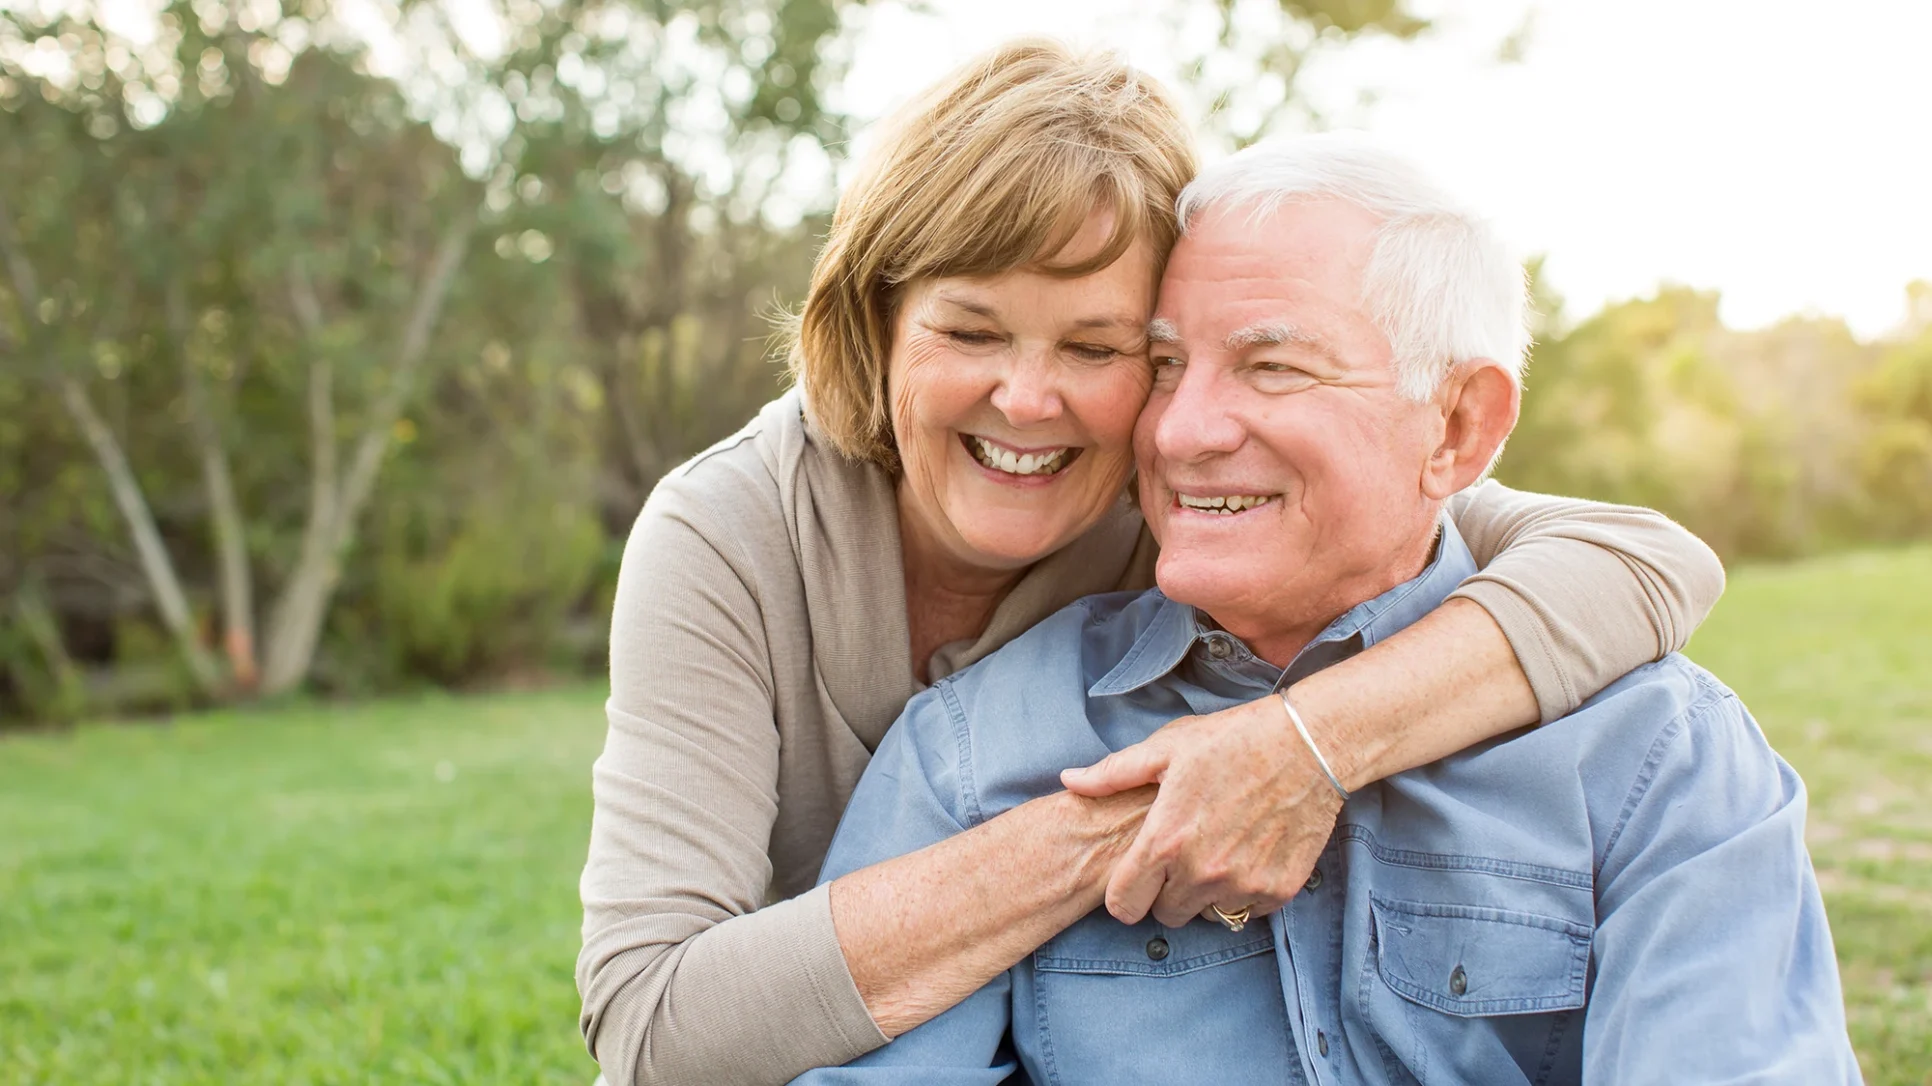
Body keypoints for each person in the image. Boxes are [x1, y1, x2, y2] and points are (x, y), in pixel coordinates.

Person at [578, 42, 1728, 1086]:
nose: (1028, 401)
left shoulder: (1194, 493)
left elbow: (1640, 558)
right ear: (876, 323)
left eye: (1101, 347)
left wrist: (1301, 746)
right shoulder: (730, 532)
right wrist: (1142, 815)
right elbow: (651, 1028)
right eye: (970, 331)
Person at [795, 133, 1860, 1085]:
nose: (1180, 432)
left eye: (1271, 366)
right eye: (1165, 365)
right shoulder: (975, 749)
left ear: (1456, 428)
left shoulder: (1655, 759)